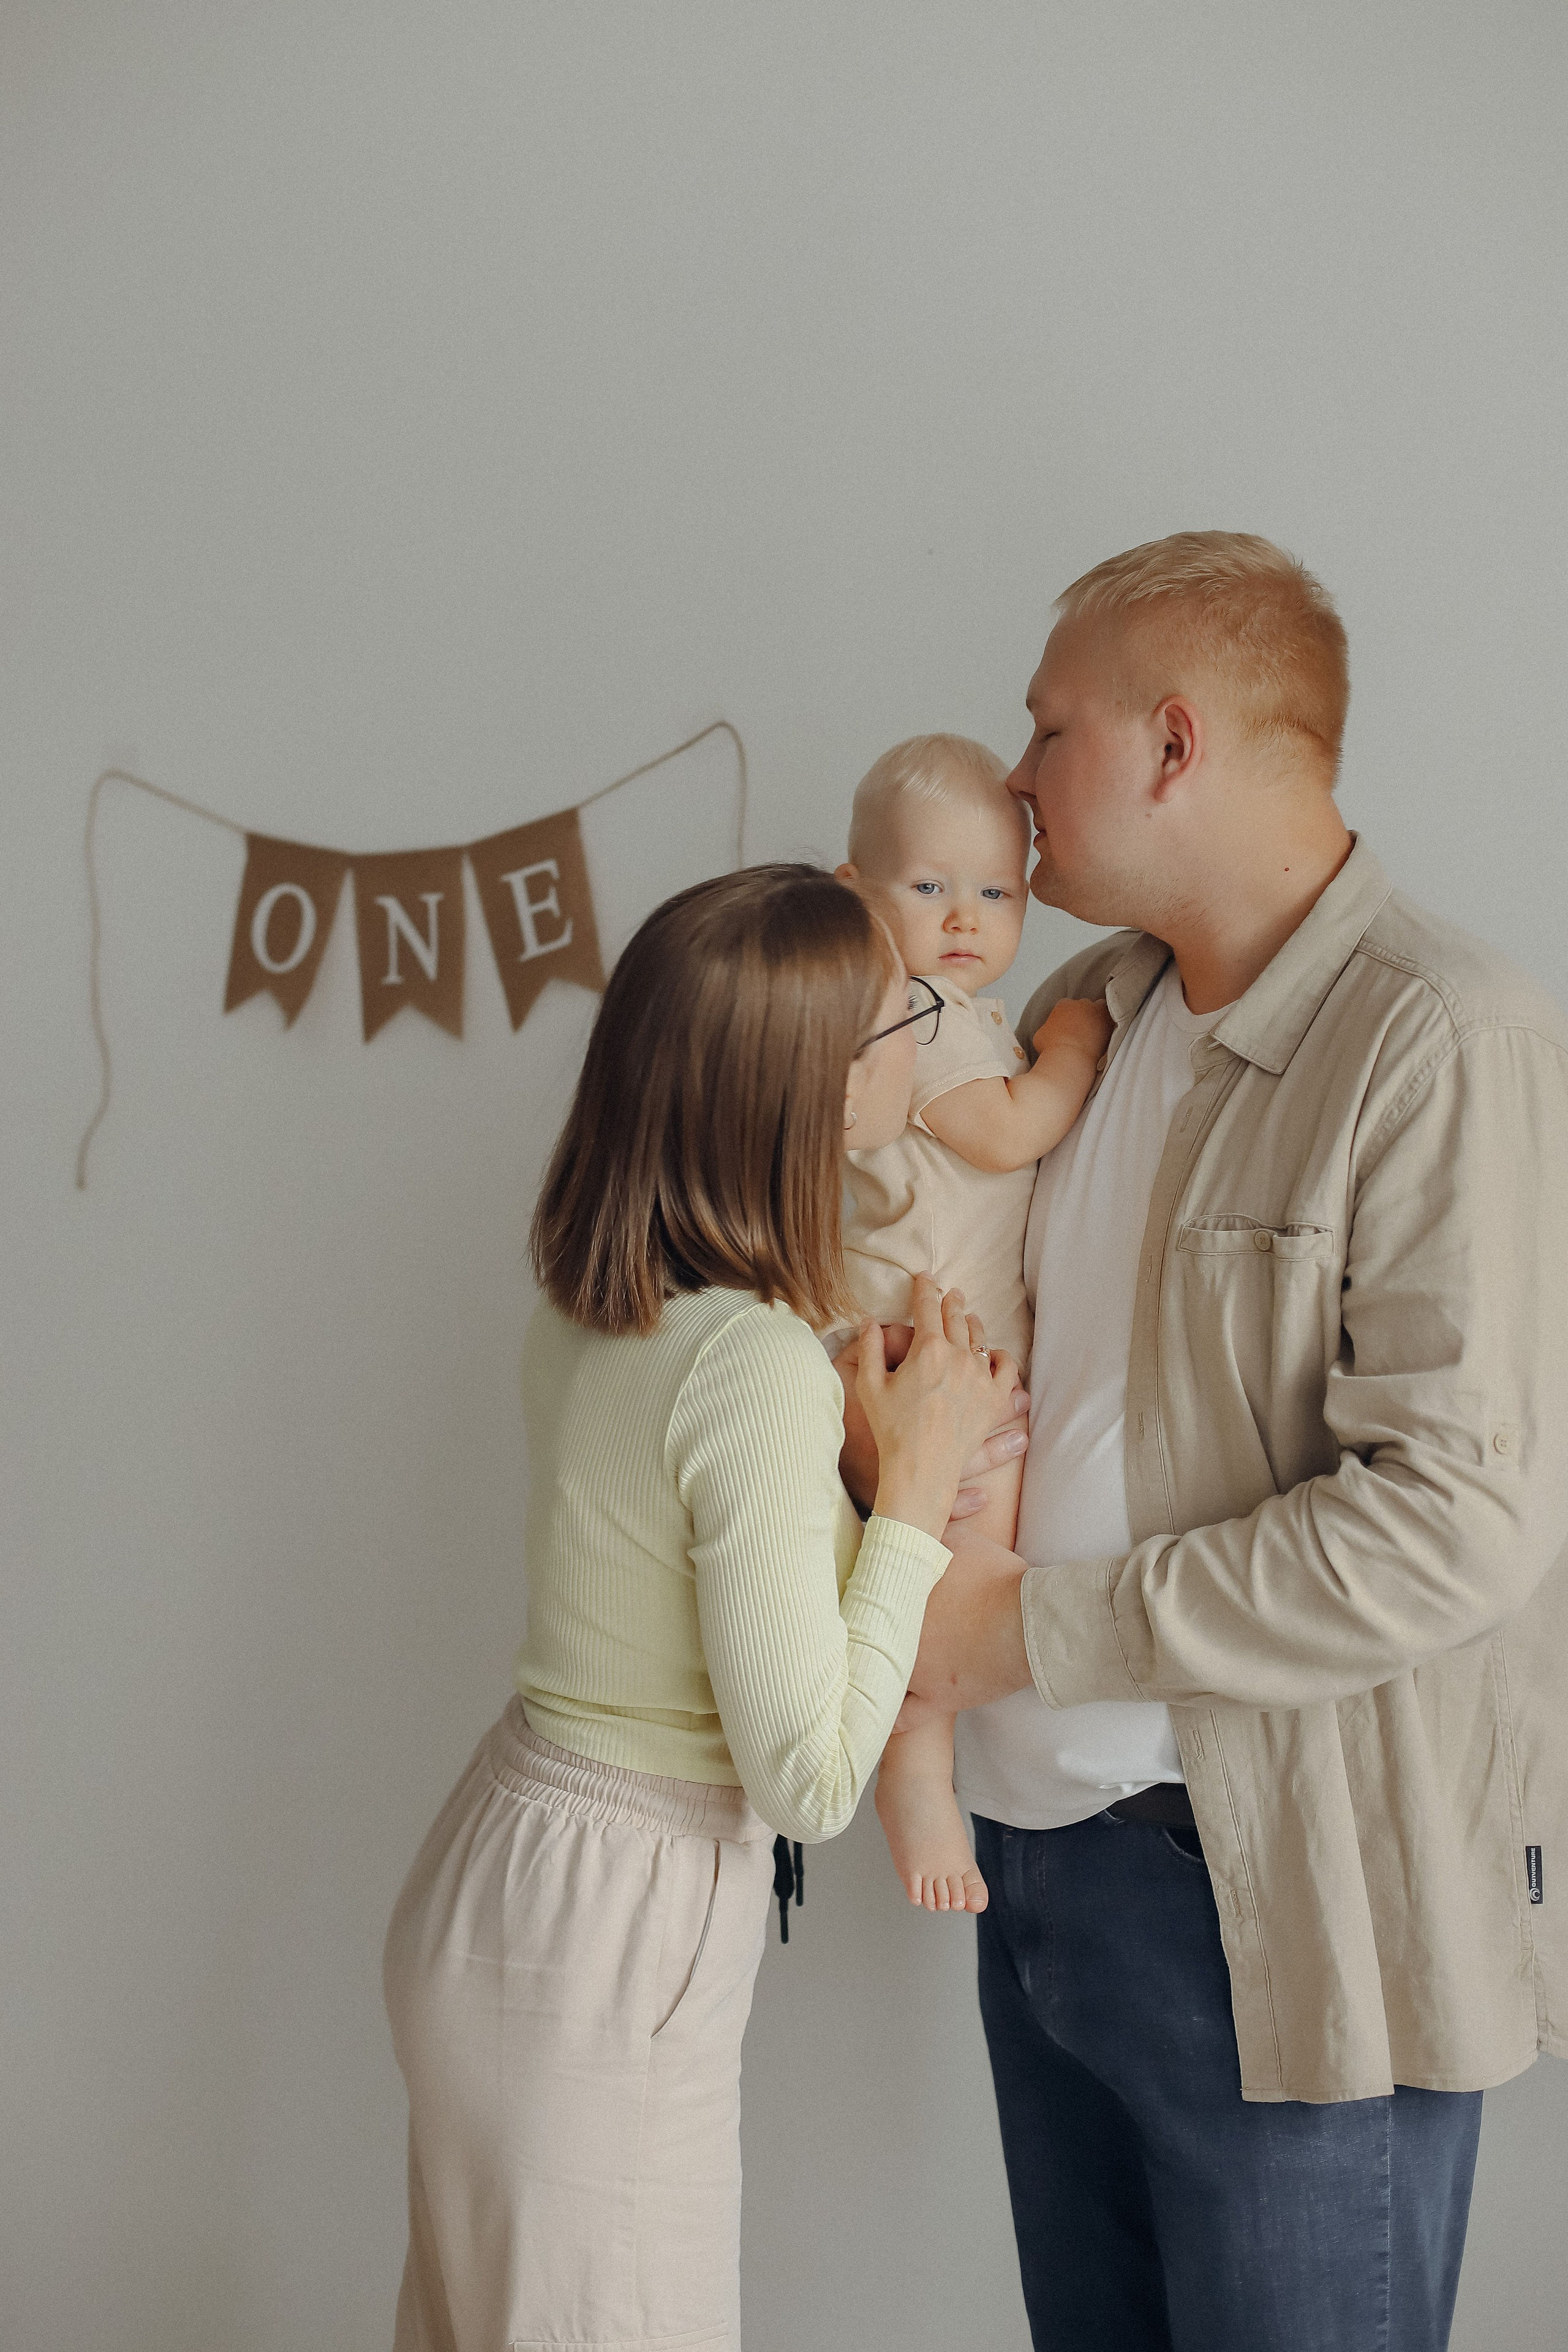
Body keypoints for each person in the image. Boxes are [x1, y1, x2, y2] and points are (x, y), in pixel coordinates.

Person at [841, 532, 1568, 2351]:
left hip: (1274, 1901)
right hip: (1040, 1866)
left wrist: (1010, 1632)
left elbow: (1453, 1527)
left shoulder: (1435, 1039)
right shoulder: (1087, 1007)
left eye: (1048, 728)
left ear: (1173, 746)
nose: (1012, 781)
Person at [382, 864, 1019, 2352]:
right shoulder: (752, 1366)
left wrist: (854, 1464)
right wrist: (916, 1490)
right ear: (816, 1093)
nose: (927, 1036)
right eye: (900, 1020)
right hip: (610, 1934)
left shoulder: (600, 1305)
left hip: (501, 1873)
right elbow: (803, 1781)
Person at [830, 733, 1110, 1913]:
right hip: (924, 1358)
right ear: (857, 898)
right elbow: (1004, 1134)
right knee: (953, 1583)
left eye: (994, 891)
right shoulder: (918, 1013)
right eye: (929, 887)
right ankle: (915, 1770)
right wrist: (1076, 1051)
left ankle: (920, 1760)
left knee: (946, 1574)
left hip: (933, 1355)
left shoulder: (946, 1010)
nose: (962, 918)